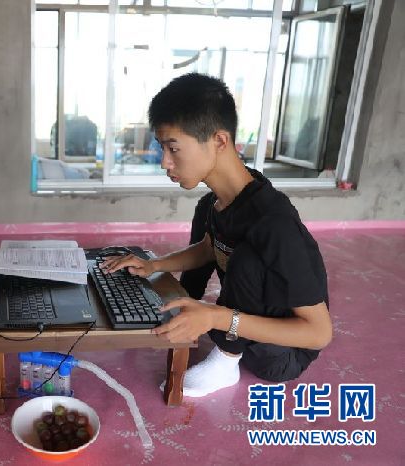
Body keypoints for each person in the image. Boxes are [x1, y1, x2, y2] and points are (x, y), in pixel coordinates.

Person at [101, 73, 332, 397]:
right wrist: (153, 266)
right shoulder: (218, 202)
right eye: (162, 148)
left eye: (173, 148)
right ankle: (191, 316)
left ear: (220, 141)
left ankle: (226, 361)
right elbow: (210, 249)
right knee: (212, 225)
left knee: (246, 258)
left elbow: (319, 333)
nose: (165, 162)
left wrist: (217, 317)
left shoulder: (273, 222)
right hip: (246, 327)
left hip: (281, 354)